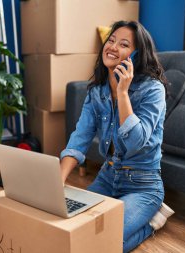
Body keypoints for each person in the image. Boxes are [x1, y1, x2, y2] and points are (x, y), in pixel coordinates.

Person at [60, 20, 174, 252]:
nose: (112, 47)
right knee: (72, 232)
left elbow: (135, 142)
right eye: (110, 40)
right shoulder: (97, 92)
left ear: (137, 55)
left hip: (143, 186)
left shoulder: (152, 90)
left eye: (123, 44)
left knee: (105, 244)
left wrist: (123, 92)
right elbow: (79, 138)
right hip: (107, 177)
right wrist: (58, 181)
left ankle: (152, 221)